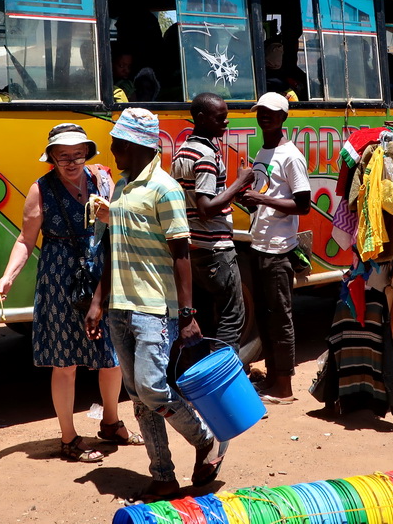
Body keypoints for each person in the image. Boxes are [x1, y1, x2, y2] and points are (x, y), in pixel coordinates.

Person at [85, 108, 226, 502]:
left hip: (154, 309)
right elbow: (112, 246)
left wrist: (187, 314)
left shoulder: (165, 189)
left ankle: (205, 440)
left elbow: (182, 253)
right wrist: (99, 301)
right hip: (120, 309)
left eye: (119, 144)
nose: (113, 151)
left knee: (151, 388)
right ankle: (163, 475)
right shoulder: (121, 188)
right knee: (138, 396)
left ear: (139, 145)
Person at [0, 123, 141, 463]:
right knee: (65, 362)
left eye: (78, 155)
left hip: (100, 275)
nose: (72, 162)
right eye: (64, 157)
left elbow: (122, 224)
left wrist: (112, 216)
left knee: (111, 355)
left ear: (87, 154)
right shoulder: (40, 190)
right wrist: (8, 277)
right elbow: (25, 240)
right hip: (59, 277)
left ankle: (111, 421)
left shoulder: (103, 181)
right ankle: (69, 438)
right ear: (52, 159)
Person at [237, 92, 311, 404]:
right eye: (261, 112)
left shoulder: (291, 155)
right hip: (259, 245)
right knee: (266, 317)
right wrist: (249, 197)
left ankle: (284, 387)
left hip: (279, 249)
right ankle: (272, 378)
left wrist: (262, 199)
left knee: (280, 318)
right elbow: (264, 193)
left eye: (271, 112)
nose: (264, 116)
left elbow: (303, 204)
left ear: (283, 117)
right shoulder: (262, 153)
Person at [171, 93, 254, 358]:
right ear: (201, 118)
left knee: (206, 317)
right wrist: (241, 182)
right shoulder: (206, 155)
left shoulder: (182, 151)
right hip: (215, 247)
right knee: (232, 316)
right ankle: (225, 382)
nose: (226, 122)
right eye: (220, 118)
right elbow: (206, 208)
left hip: (193, 247)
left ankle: (202, 384)